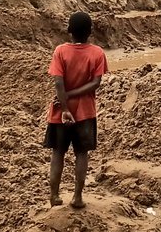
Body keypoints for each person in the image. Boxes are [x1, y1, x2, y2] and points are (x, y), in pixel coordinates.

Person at [44, 12, 108, 209]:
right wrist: (73, 95)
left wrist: (65, 107)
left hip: (59, 112)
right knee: (82, 154)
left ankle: (54, 196)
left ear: (69, 31)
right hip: (86, 113)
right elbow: (96, 83)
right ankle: (77, 197)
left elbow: (58, 83)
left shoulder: (60, 51)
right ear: (90, 32)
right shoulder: (97, 53)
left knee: (58, 153)